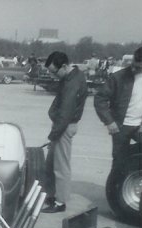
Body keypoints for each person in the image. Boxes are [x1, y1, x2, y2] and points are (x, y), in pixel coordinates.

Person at [41, 51, 88, 213]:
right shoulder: (72, 77)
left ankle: (60, 202)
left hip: (64, 127)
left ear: (64, 66)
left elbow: (65, 113)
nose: (52, 75)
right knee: (52, 163)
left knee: (60, 167)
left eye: (54, 71)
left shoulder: (72, 83)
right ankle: (52, 195)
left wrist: (53, 134)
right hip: (62, 125)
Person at [94, 46, 142, 171]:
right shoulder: (118, 77)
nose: (133, 69)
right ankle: (114, 189)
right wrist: (109, 121)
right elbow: (100, 99)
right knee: (119, 161)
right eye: (132, 64)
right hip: (120, 127)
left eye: (138, 67)